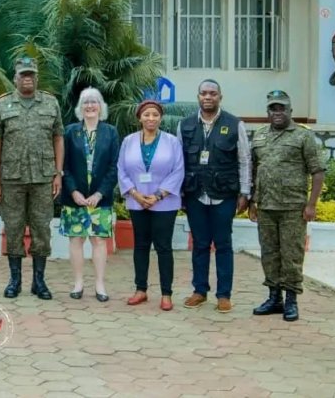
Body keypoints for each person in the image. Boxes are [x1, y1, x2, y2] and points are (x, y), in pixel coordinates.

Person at [0, 57, 64, 301]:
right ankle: (15, 280)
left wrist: (58, 173)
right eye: (23, 74)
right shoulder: (2, 105)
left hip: (43, 177)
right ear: (15, 78)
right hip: (13, 178)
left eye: (31, 74)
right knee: (13, 227)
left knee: (42, 228)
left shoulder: (51, 103)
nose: (27, 78)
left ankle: (39, 282)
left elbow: (58, 137)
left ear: (37, 77)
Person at [177, 79, 251, 313]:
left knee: (223, 244)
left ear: (220, 97)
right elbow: (178, 162)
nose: (208, 97)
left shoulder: (234, 123)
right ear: (198, 96)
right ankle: (199, 291)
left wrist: (245, 191)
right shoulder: (185, 124)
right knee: (199, 244)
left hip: (224, 195)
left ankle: (224, 295)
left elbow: (244, 159)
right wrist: (179, 193)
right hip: (195, 193)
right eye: (204, 93)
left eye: (212, 93)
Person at [249, 90, 324, 322]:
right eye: (273, 108)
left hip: (293, 207)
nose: (277, 112)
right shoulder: (259, 136)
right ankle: (274, 297)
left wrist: (311, 204)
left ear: (290, 111)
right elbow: (254, 170)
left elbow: (318, 171)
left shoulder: (303, 136)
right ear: (268, 112)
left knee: (291, 255)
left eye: (282, 108)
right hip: (266, 207)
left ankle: (291, 299)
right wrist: (252, 201)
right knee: (269, 254)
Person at [119, 100, 184, 311]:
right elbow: (121, 169)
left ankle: (166, 293)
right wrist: (135, 194)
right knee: (141, 245)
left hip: (165, 203)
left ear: (160, 118)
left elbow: (178, 170)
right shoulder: (128, 141)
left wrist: (158, 195)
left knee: (163, 247)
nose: (151, 118)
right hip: (137, 202)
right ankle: (141, 289)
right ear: (139, 117)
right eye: (146, 114)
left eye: (155, 115)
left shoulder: (172, 141)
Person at [59, 88, 119, 302]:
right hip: (74, 197)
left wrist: (100, 193)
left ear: (101, 106)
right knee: (76, 240)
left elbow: (114, 167)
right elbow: (63, 165)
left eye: (94, 102)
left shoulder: (110, 132)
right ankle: (78, 283)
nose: (90, 105)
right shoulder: (70, 131)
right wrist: (73, 191)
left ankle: (100, 285)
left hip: (100, 200)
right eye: (85, 102)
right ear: (80, 107)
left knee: (98, 241)